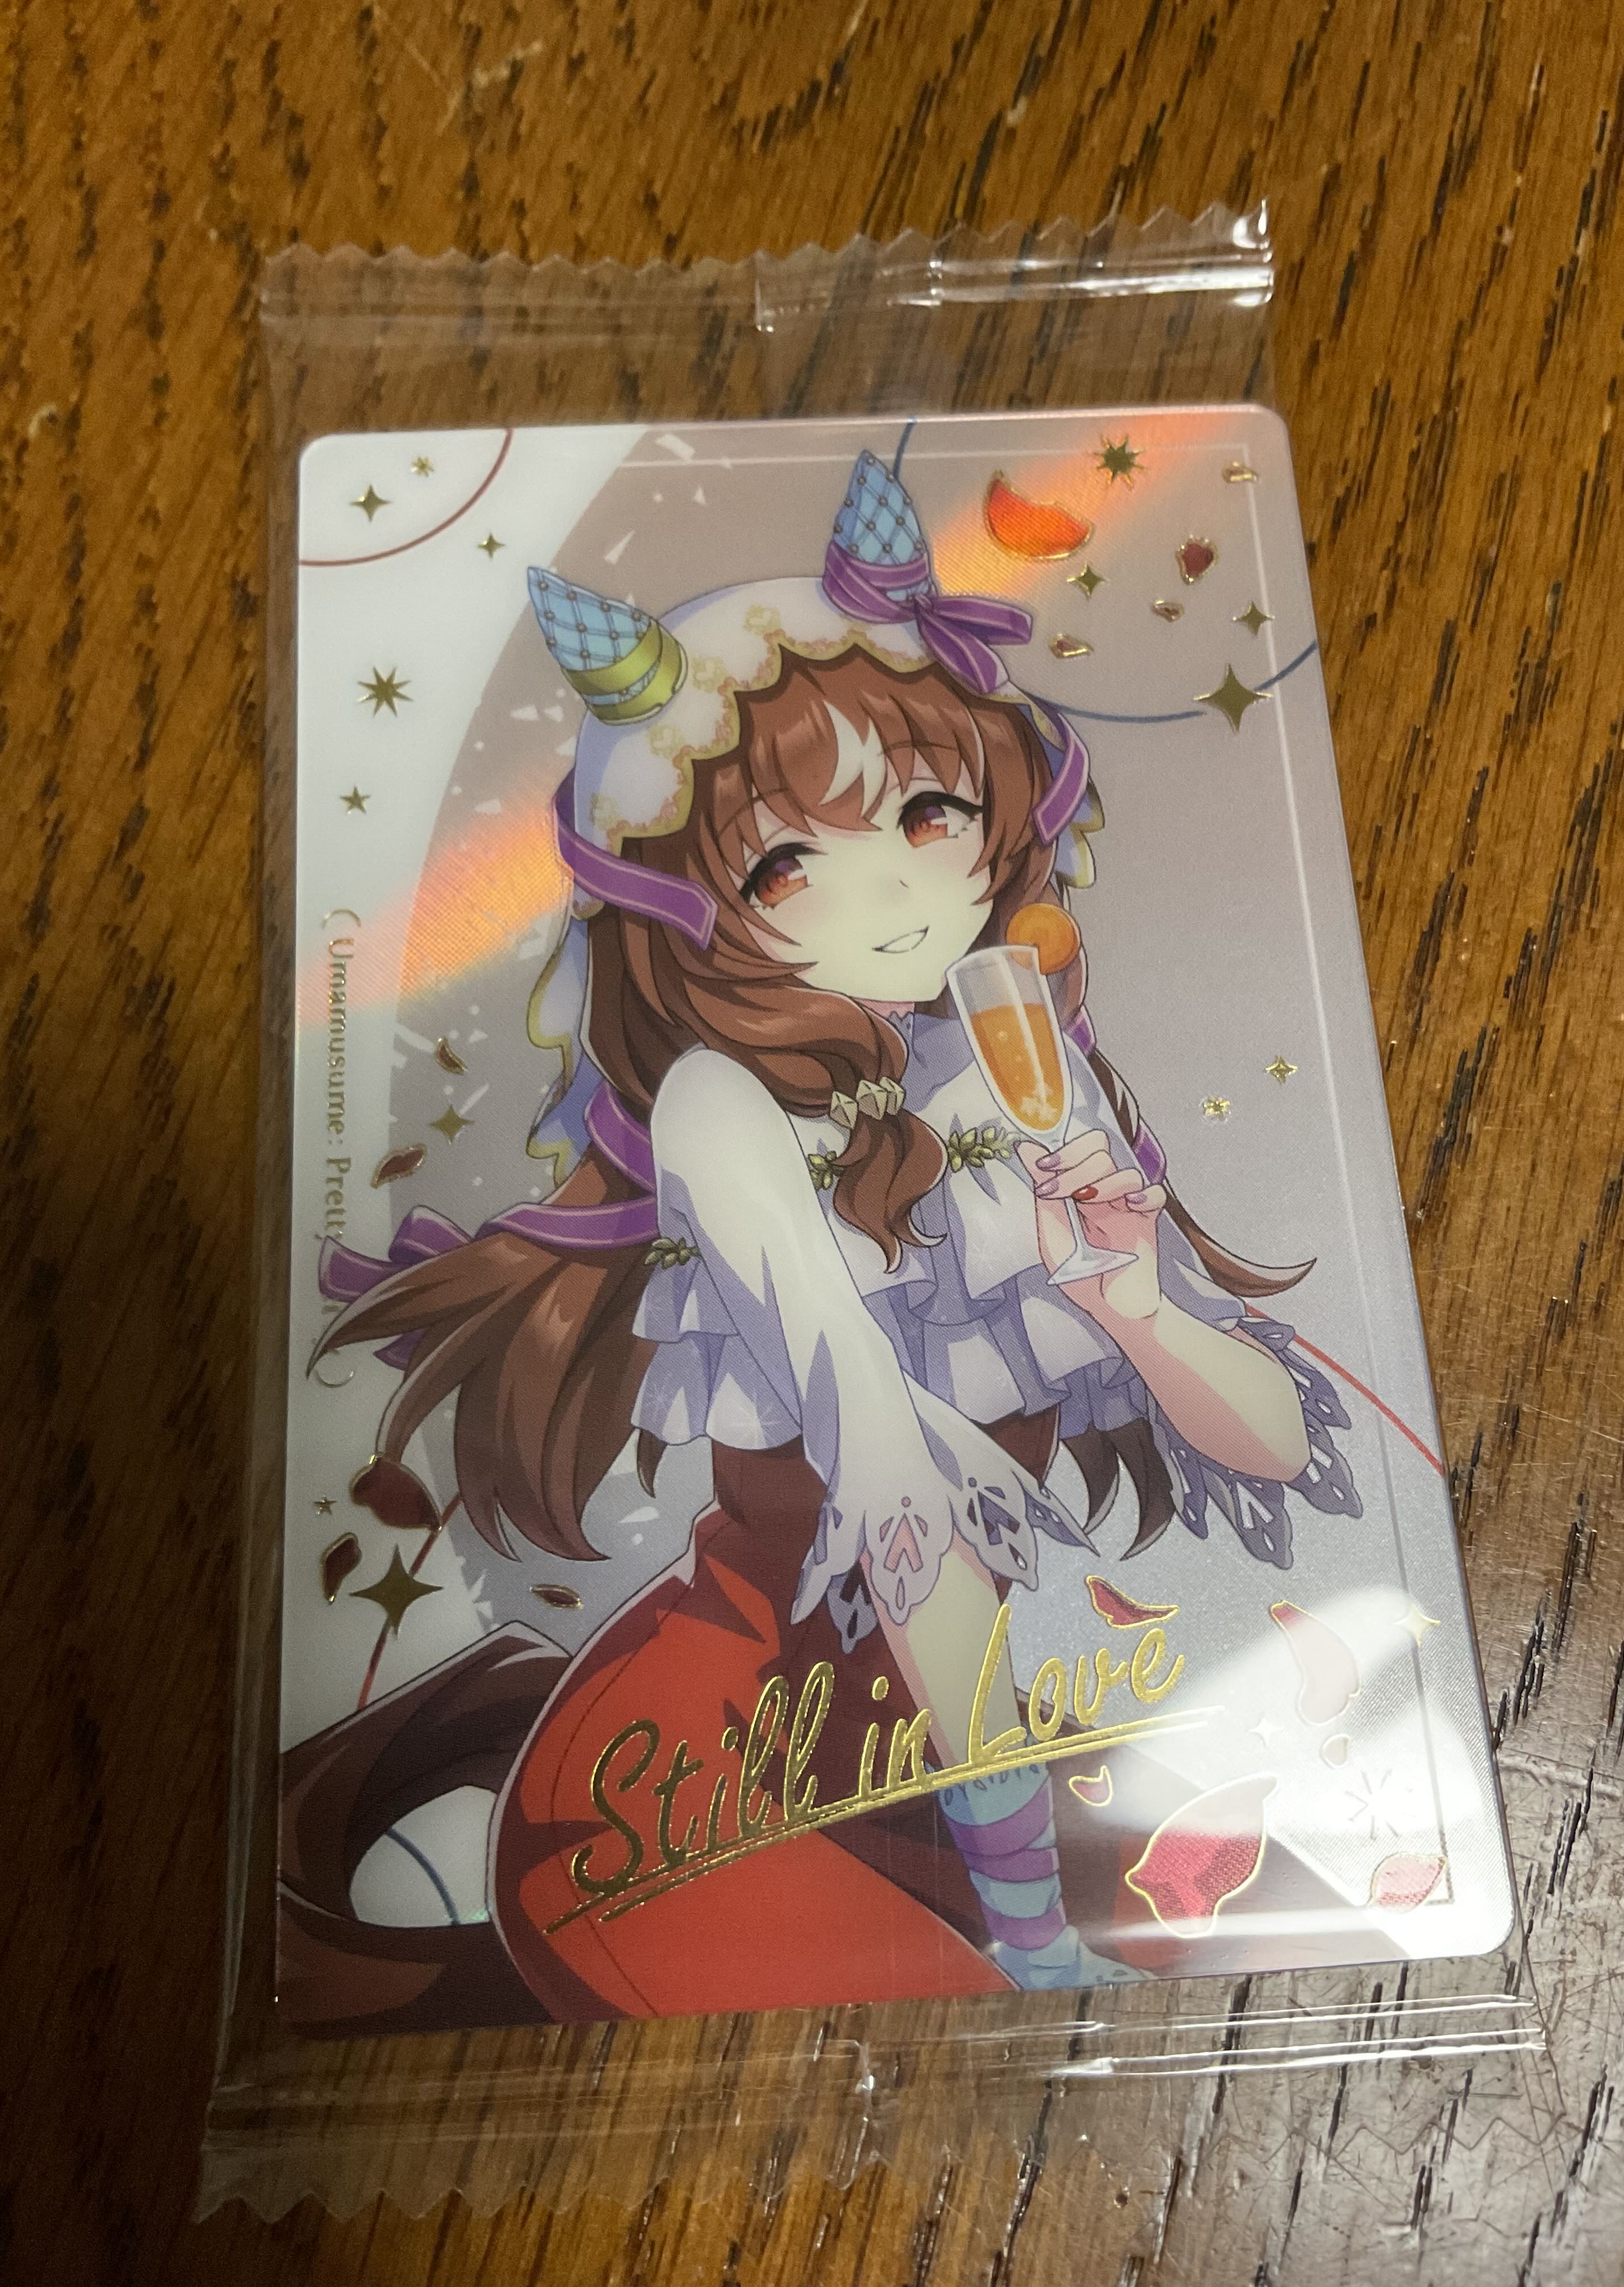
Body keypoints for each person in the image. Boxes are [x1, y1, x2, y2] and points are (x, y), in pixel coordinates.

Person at [311, 440, 1360, 2020]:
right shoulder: (718, 1111)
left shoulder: (1011, 1057)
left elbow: (1273, 1451)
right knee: (1030, 1970)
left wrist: (1136, 1308)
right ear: (695, 911)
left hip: (998, 1728)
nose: (893, 890)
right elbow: (876, 1447)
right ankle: (1021, 1921)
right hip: (716, 1765)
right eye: (794, 858)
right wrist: (1029, 1920)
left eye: (931, 811)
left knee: (1274, 1939)